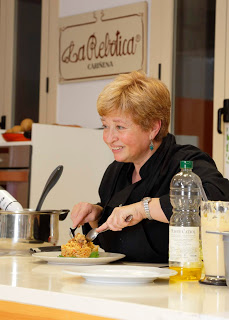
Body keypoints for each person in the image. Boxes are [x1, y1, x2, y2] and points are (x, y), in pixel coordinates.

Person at [71, 70, 229, 263]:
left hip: (178, 285)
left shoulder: (187, 163)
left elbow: (215, 201)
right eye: (105, 126)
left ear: (153, 128)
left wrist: (143, 209)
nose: (109, 138)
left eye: (120, 127)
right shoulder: (115, 172)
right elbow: (112, 243)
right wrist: (97, 214)